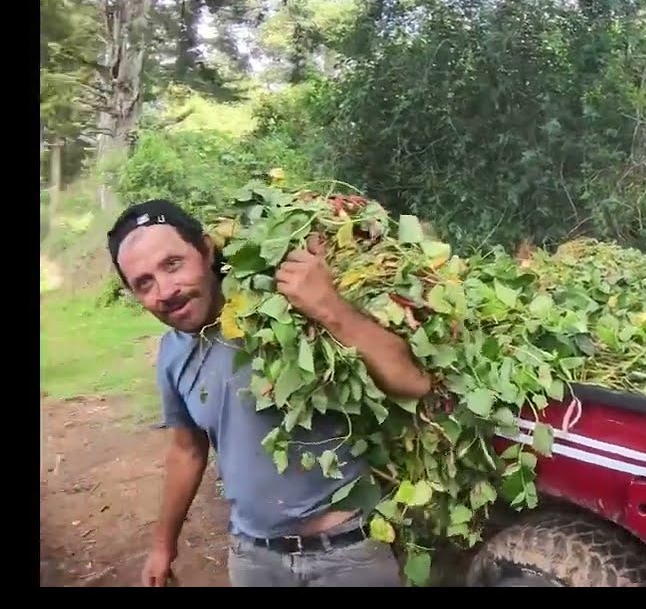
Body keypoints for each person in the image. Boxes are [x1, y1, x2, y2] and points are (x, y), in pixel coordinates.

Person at [107, 199, 434, 587]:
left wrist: (327, 305)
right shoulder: (173, 354)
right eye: (143, 283)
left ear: (206, 249)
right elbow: (187, 449)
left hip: (347, 554)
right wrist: (163, 547)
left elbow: (414, 382)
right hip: (254, 559)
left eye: (173, 264)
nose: (165, 291)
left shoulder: (287, 308)